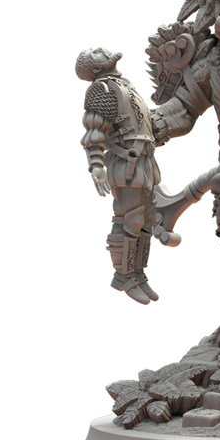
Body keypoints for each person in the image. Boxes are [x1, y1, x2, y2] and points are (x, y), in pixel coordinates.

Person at [76, 48, 160, 304]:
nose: (102, 50)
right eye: (96, 53)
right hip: (126, 164)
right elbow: (94, 130)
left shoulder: (124, 85)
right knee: (130, 218)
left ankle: (138, 273)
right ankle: (123, 276)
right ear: (94, 68)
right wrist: (96, 165)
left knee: (147, 219)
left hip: (144, 160)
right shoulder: (101, 89)